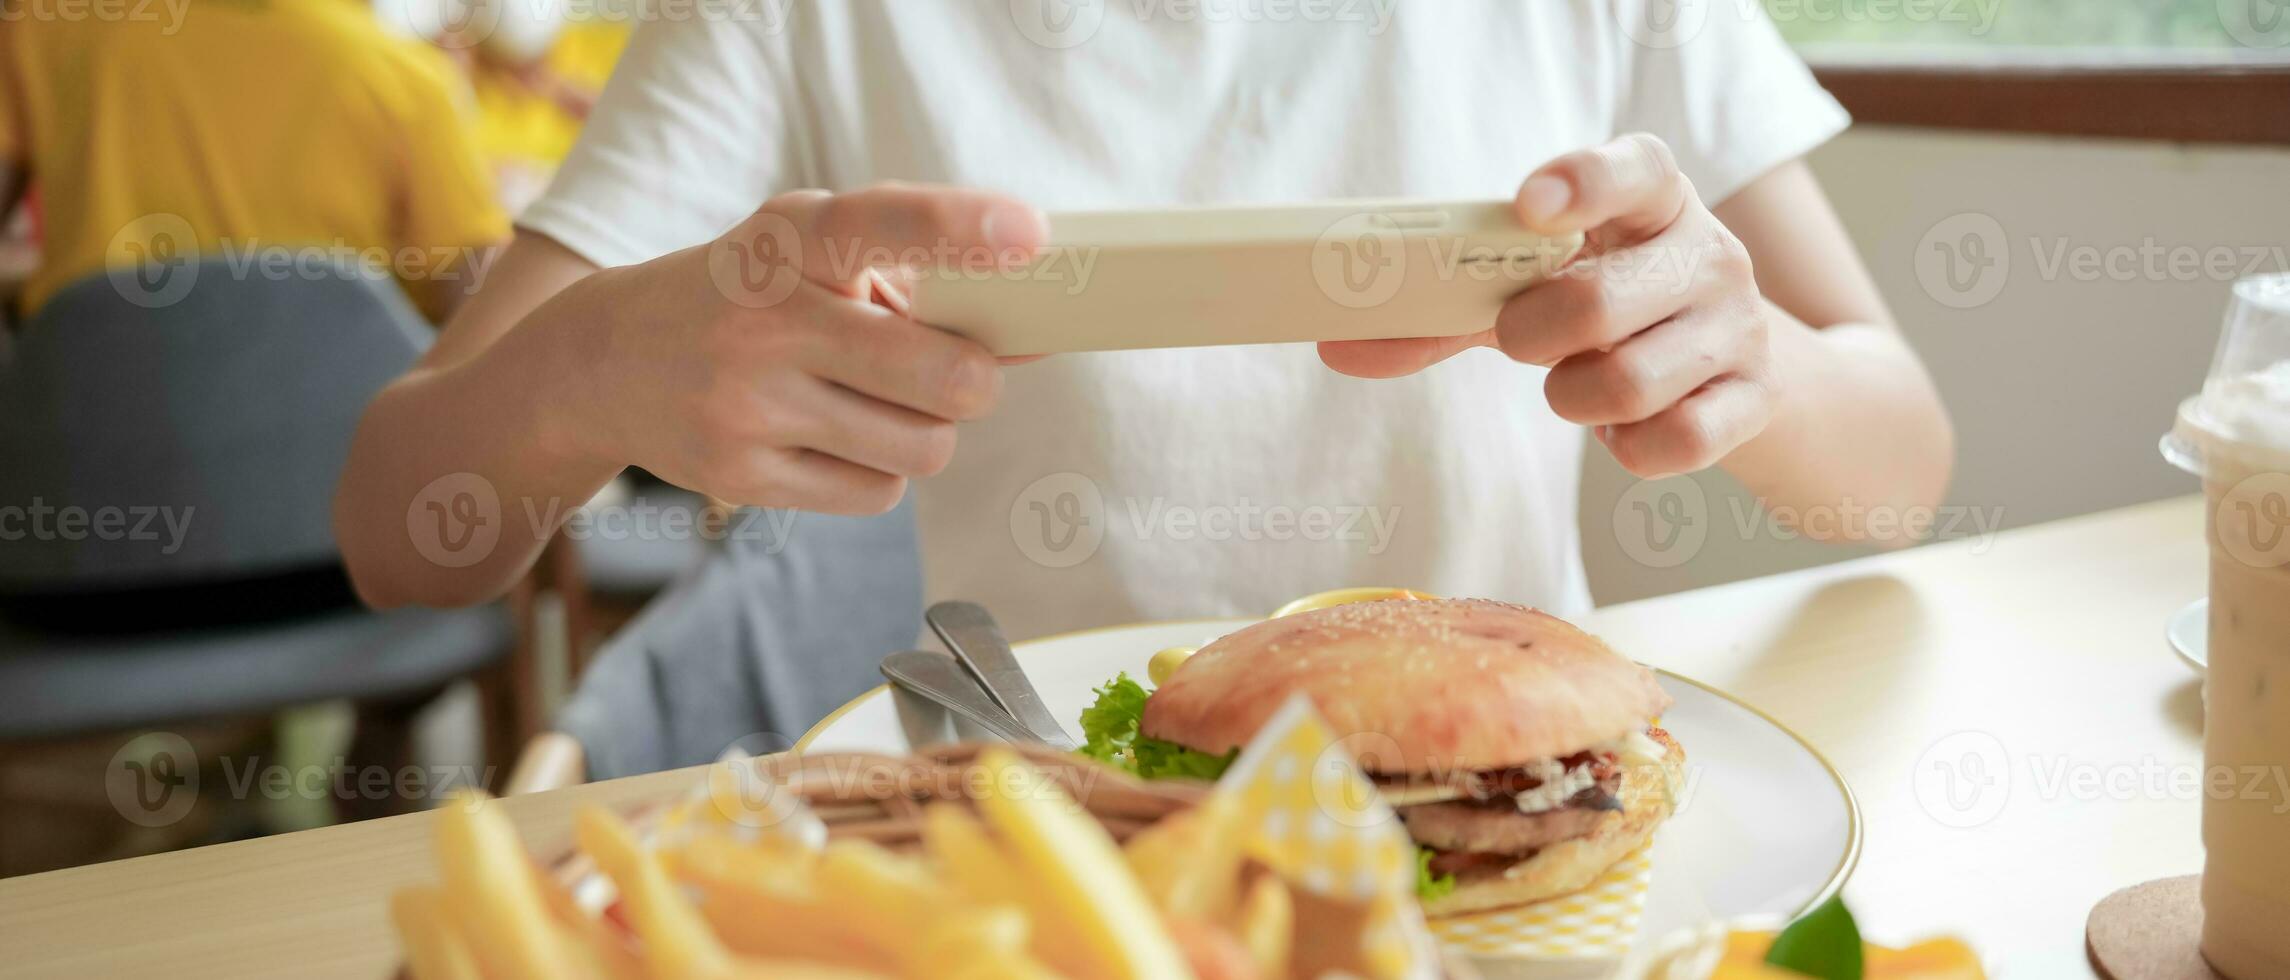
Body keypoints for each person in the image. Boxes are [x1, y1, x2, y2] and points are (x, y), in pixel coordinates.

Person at [336, 4, 1954, 647]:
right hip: (1039, 830)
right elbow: (402, 530)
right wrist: (587, 370)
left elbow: (1899, 475)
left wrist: (1750, 357)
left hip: (1522, 836)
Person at [0, 0, 508, 325]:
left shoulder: (41, 24)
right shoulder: (408, 78)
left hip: (79, 439)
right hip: (331, 454)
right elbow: (483, 300)